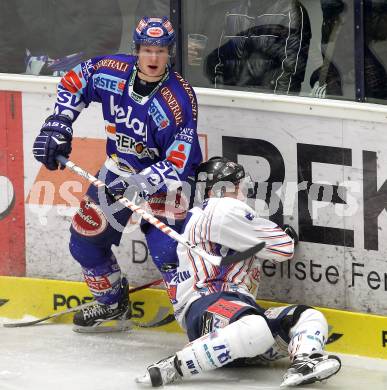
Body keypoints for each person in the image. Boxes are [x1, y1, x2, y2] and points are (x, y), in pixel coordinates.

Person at [32, 16, 202, 331]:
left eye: (161, 51)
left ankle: (199, 314)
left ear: (170, 54)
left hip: (167, 180)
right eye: (148, 49)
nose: (153, 58)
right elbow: (74, 80)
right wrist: (60, 121)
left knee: (168, 250)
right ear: (137, 50)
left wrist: (137, 187)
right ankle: (112, 304)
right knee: (84, 241)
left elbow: (179, 161)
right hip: (120, 170)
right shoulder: (113, 71)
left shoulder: (178, 99)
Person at [135, 157, 341, 387]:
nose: (242, 190)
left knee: (307, 316)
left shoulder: (209, 214)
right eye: (237, 184)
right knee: (257, 327)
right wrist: (282, 235)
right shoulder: (221, 208)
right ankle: (173, 366)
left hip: (236, 327)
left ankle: (305, 362)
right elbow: (283, 248)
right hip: (208, 306)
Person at [199, 0, 311, 93]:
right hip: (230, 98)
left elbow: (289, 72)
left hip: (266, 102)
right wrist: (222, 95)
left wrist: (278, 109)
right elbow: (217, 59)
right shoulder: (233, 9)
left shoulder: (290, 11)